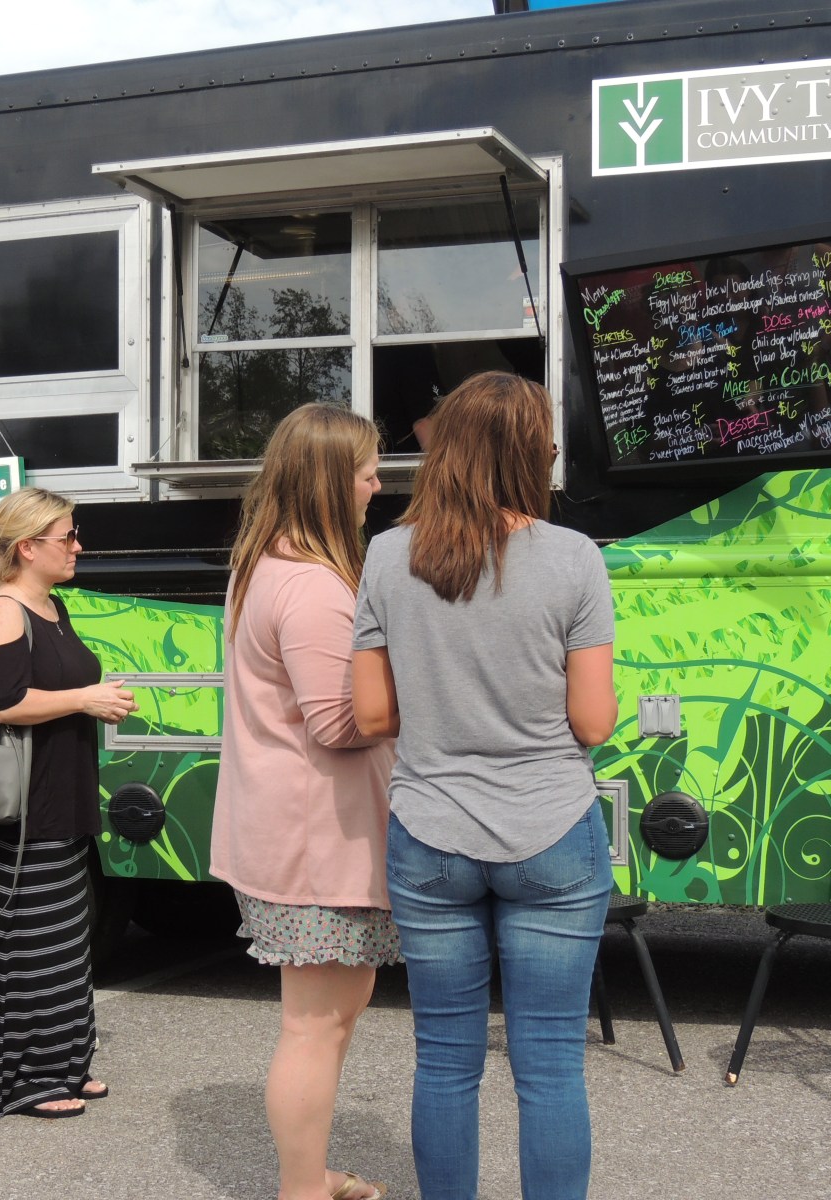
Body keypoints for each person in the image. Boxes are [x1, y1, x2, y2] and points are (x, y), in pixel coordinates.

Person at [350, 371, 619, 1200]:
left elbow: (370, 714)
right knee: (547, 1068)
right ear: (530, 453)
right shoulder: (574, 557)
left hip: (431, 833)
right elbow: (594, 723)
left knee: (444, 1063)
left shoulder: (389, 555)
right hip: (553, 834)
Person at [209, 403, 398, 1200]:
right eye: (365, 472)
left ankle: (309, 1175)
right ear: (329, 484)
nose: (377, 486)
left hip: (291, 837)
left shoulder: (265, 567)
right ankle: (301, 1190)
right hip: (318, 842)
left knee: (325, 1020)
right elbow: (339, 722)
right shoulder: (316, 586)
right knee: (316, 1028)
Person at [0, 487, 136, 1118]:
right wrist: (84, 699)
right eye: (67, 536)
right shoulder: (3, 612)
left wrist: (93, 694)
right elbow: (2, 702)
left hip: (61, 795)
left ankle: (66, 1065)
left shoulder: (52, 605)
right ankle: (25, 1083)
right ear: (27, 545)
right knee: (26, 946)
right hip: (24, 806)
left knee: (66, 942)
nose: (77, 546)